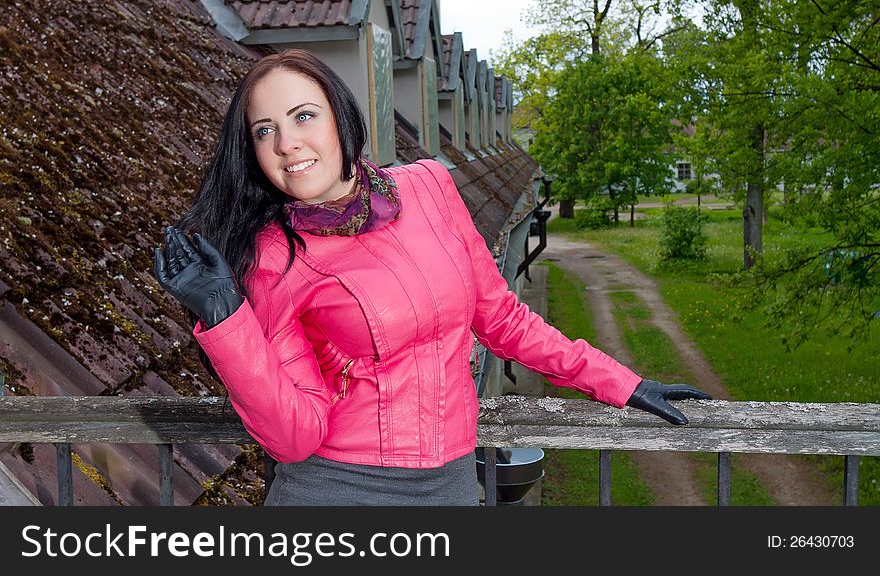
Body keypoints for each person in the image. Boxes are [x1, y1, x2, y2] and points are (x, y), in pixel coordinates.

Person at [154, 49, 711, 506]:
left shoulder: (428, 187)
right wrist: (225, 317)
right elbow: (294, 434)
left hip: (450, 485)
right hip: (337, 491)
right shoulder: (274, 256)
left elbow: (502, 319)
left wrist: (622, 382)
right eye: (264, 130)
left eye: (304, 116)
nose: (286, 144)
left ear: (341, 116)